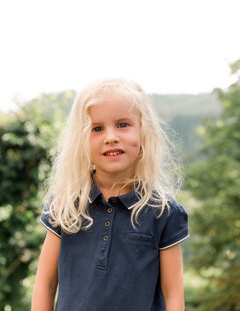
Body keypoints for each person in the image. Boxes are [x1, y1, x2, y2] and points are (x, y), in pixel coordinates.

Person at [31, 78, 189, 311]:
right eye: (97, 128)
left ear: (144, 132)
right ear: (81, 140)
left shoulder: (163, 211)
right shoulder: (65, 204)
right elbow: (45, 284)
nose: (111, 137)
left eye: (123, 124)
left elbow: (173, 294)